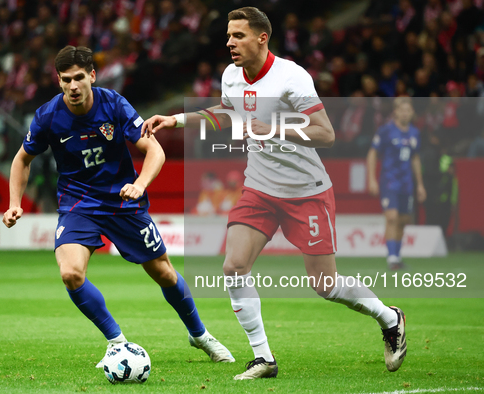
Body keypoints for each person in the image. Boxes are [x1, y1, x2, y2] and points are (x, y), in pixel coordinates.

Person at [142, 7, 407, 380]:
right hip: (260, 189)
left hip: (307, 191)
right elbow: (229, 113)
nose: (230, 43)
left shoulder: (291, 77)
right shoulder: (231, 76)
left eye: (238, 36)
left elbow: (326, 134)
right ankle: (263, 357)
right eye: (229, 36)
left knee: (326, 286)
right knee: (234, 266)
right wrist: (178, 119)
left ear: (262, 38)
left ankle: (390, 318)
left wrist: (274, 127)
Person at [1, 46, 234, 368]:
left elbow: (155, 151)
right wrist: (14, 203)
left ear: (92, 76)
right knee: (70, 273)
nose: (73, 86)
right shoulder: (48, 116)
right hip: (78, 204)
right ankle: (117, 343)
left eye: (79, 78)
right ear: (58, 81)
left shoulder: (113, 104)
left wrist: (139, 185)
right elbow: (21, 159)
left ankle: (200, 335)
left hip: (124, 202)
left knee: (164, 273)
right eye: (66, 80)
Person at [367, 97, 427, 270]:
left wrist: (420, 184)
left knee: (403, 220)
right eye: (402, 110)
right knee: (391, 217)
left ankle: (397, 256)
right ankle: (392, 257)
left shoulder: (415, 133)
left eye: (408, 110)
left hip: (407, 183)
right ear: (396, 112)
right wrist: (371, 178)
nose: (405, 113)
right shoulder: (385, 131)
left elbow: (415, 158)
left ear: (412, 112)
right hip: (389, 181)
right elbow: (372, 153)